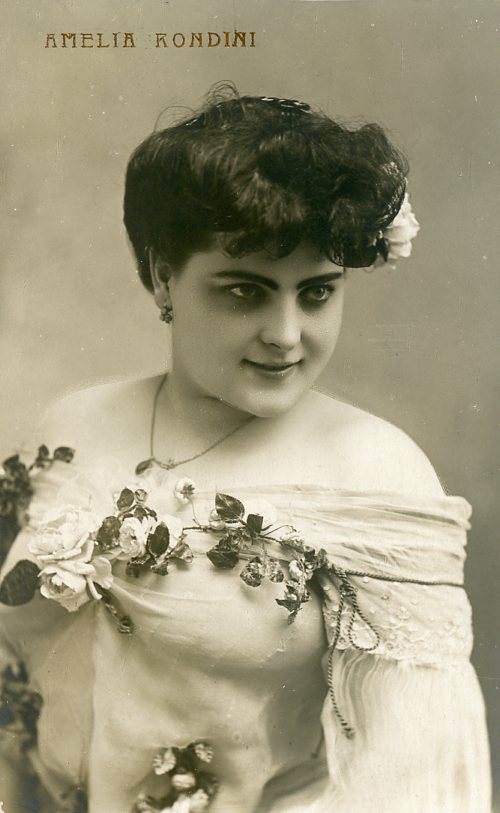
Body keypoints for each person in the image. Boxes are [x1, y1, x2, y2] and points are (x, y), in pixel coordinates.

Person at [0, 85, 491, 812]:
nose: (286, 336)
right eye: (245, 292)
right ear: (162, 274)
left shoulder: (377, 474)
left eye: (317, 294)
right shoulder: (70, 425)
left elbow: (413, 777)